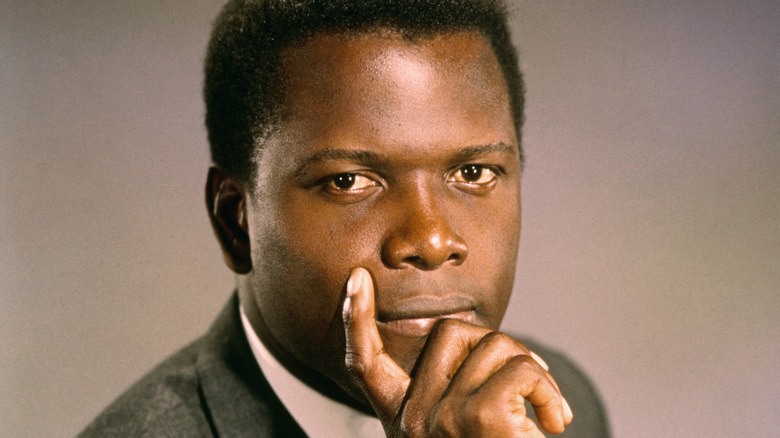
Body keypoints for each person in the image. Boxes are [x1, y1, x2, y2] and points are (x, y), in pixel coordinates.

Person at [80, 0, 610, 436]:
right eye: (348, 181)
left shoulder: (553, 403)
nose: (429, 240)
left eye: (473, 172)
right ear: (235, 221)